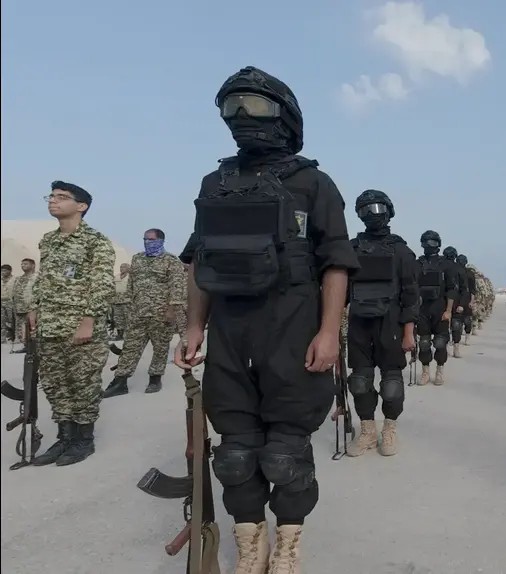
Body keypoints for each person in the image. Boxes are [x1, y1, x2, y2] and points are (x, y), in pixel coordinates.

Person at [174, 65, 360, 574]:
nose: (241, 116)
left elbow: (336, 264)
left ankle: (288, 546)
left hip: (294, 329)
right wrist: (194, 326)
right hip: (231, 332)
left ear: (284, 115)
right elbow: (199, 262)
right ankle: (249, 544)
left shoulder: (313, 183)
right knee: (235, 455)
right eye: (231, 107)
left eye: (253, 105)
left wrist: (329, 332)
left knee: (284, 453)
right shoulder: (216, 183)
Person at [29, 181, 115, 467]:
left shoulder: (95, 241)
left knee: (83, 383)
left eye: (61, 197)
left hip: (80, 328)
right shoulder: (48, 240)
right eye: (51, 196)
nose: (53, 201)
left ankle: (83, 440)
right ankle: (64, 437)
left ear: (81, 206)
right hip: (50, 326)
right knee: (55, 384)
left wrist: (88, 321)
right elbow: (43, 279)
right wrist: (35, 308)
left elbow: (102, 284)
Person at [344, 189, 418, 458]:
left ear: (389, 211)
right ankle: (367, 430)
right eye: (366, 210)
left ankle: (389, 429)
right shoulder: (351, 249)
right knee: (359, 382)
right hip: (359, 325)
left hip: (392, 325)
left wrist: (409, 333)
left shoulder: (401, 251)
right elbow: (339, 291)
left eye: (378, 208)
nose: (373, 214)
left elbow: (411, 296)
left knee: (391, 385)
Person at [102, 228, 185, 397]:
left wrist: (171, 310)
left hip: (160, 313)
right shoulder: (137, 259)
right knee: (130, 347)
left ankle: (155, 379)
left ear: (161, 240)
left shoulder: (170, 261)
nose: (147, 242)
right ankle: (120, 382)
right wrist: (129, 307)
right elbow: (132, 285)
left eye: (151, 239)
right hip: (138, 313)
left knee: (160, 347)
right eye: (145, 239)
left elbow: (176, 286)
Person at [414, 230, 459, 386]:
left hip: (440, 308)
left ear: (438, 244)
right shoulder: (418, 264)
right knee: (424, 343)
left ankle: (439, 371)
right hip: (422, 309)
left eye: (432, 242)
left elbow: (451, 289)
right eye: (426, 242)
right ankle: (425, 372)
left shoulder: (446, 265)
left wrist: (448, 311)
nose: (429, 245)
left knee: (440, 342)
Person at [443, 246, 469, 357]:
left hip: (448, 302)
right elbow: (465, 290)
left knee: (449, 325)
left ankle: (451, 347)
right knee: (455, 326)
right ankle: (454, 347)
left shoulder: (443, 266)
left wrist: (462, 304)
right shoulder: (459, 269)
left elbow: (464, 289)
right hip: (453, 302)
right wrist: (462, 304)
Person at [456, 254, 477, 345]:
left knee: (467, 320)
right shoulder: (454, 271)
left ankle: (467, 336)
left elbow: (472, 289)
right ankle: (456, 339)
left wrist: (472, 301)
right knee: (457, 321)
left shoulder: (470, 274)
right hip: (457, 298)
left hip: (466, 298)